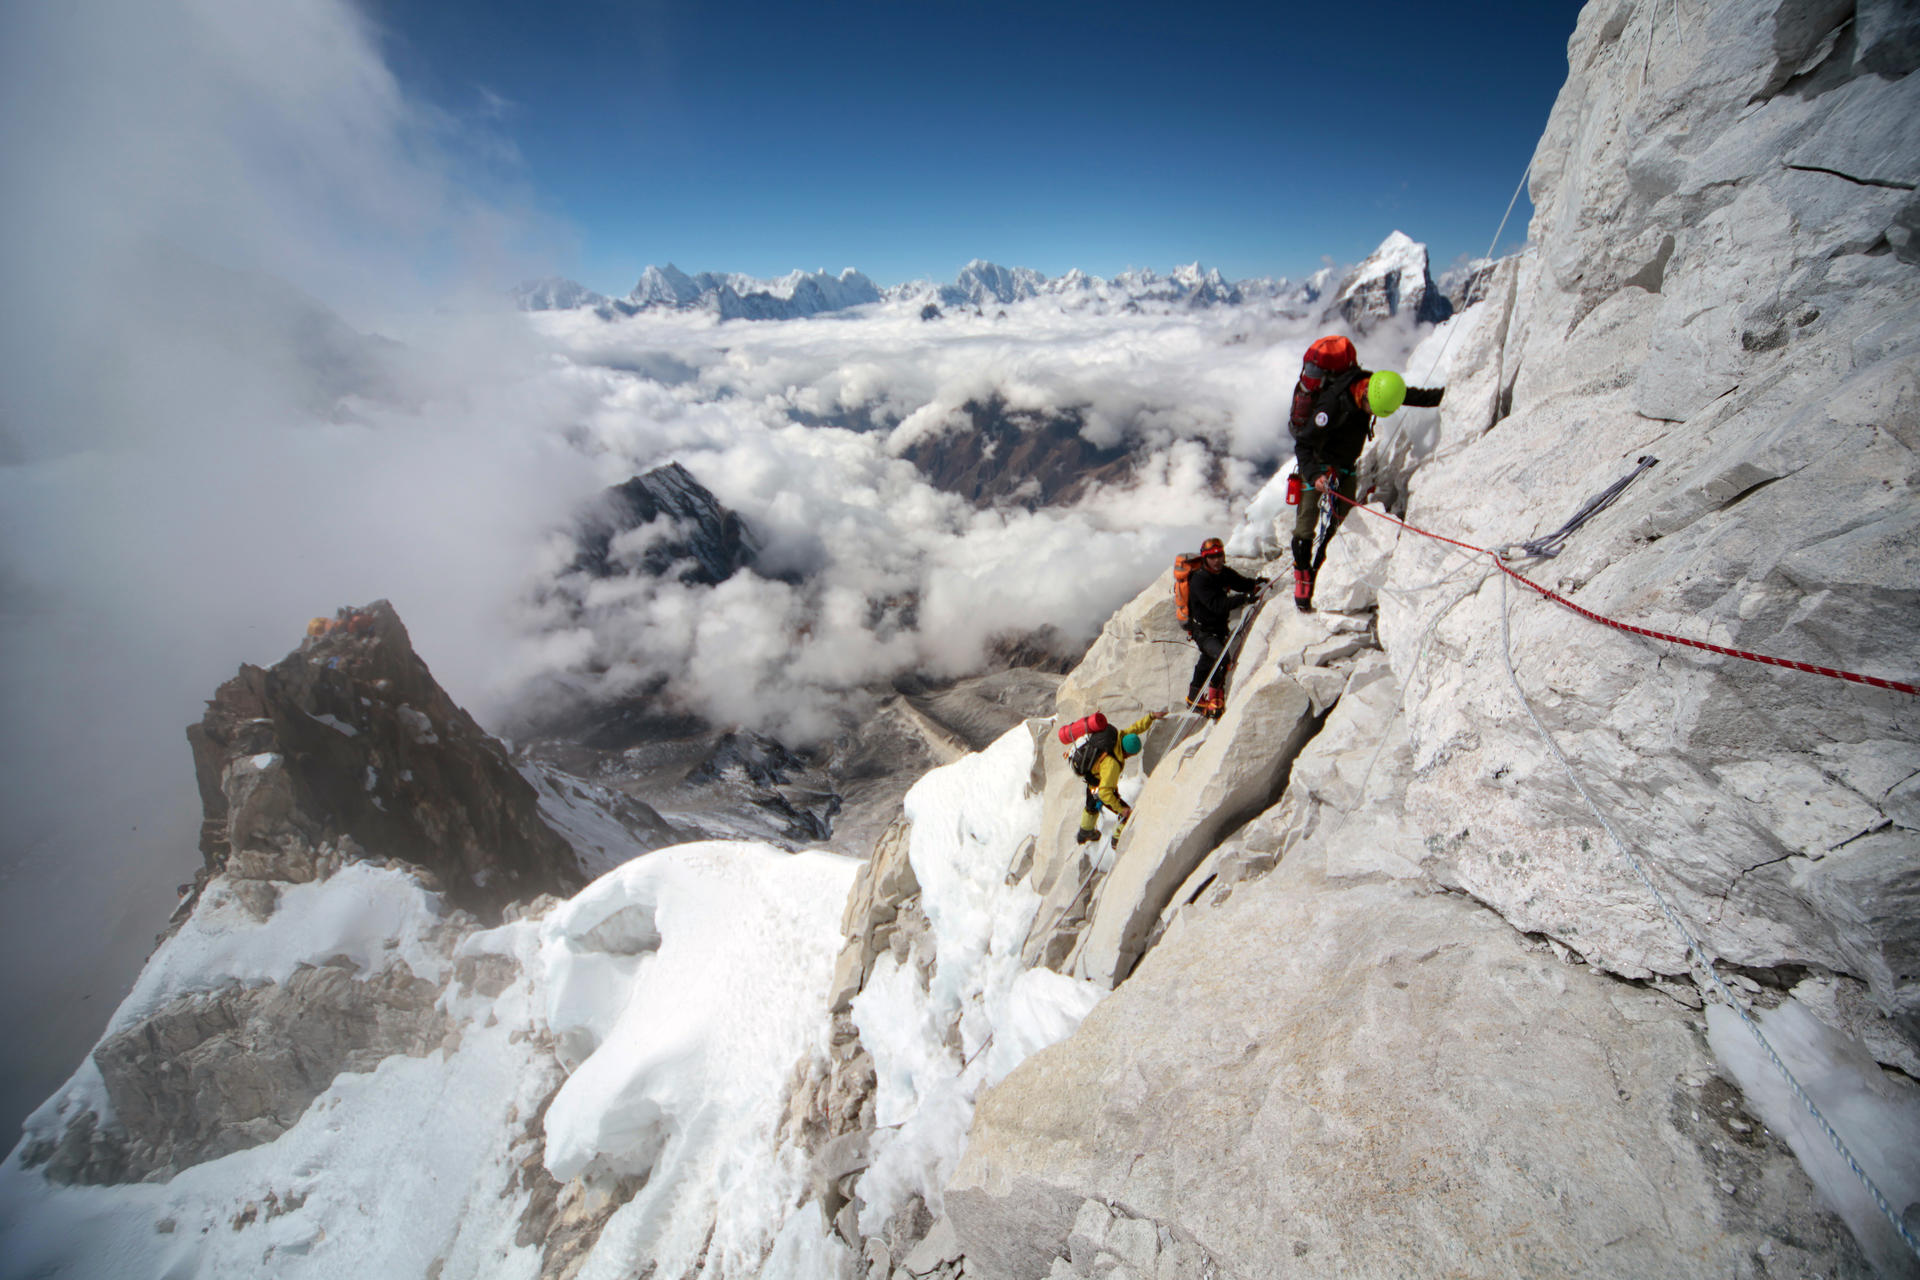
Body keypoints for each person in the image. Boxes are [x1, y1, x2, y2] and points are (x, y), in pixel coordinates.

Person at [1287, 335, 1444, 612]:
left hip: (1346, 466)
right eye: (1372, 409)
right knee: (1306, 524)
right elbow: (1303, 444)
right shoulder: (1330, 406)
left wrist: (1441, 396)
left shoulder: (1376, 385)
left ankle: (1322, 567)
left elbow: (1406, 395)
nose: (1371, 413)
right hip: (1319, 463)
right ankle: (1303, 574)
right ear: (1365, 396)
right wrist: (1313, 476)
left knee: (1342, 522)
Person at [1183, 537, 1265, 717]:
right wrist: (1245, 598)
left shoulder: (1223, 573)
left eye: (1219, 555)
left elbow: (1240, 583)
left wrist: (1255, 584)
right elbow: (1217, 605)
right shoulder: (1200, 580)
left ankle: (1193, 698)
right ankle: (1215, 697)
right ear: (1205, 559)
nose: (1217, 560)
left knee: (1208, 659)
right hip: (1203, 631)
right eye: (1212, 557)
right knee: (1221, 658)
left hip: (1217, 629)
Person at [1076, 710, 1166, 846]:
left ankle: (1085, 831)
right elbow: (1105, 793)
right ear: (1127, 753)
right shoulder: (1112, 764)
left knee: (1092, 804)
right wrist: (1120, 809)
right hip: (1100, 785)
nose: (1129, 757)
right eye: (1130, 755)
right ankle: (1116, 839)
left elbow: (1136, 728)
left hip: (1092, 778)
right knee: (1127, 812)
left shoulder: (1120, 737)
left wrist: (1151, 717)